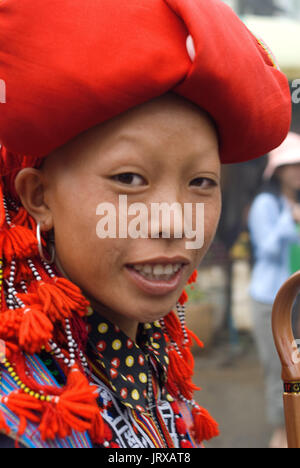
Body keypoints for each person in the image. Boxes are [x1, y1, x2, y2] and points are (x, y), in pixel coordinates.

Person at [0, 0, 291, 448]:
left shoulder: (150, 359)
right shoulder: (18, 409)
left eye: (201, 181)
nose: (175, 221)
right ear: (39, 196)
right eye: (129, 179)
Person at [248, 132, 300, 449]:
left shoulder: (293, 201)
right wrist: (288, 222)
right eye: (291, 164)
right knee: (279, 372)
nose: (296, 170)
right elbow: (265, 248)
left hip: (295, 301)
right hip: (270, 302)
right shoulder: (265, 203)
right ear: (277, 170)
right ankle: (282, 435)